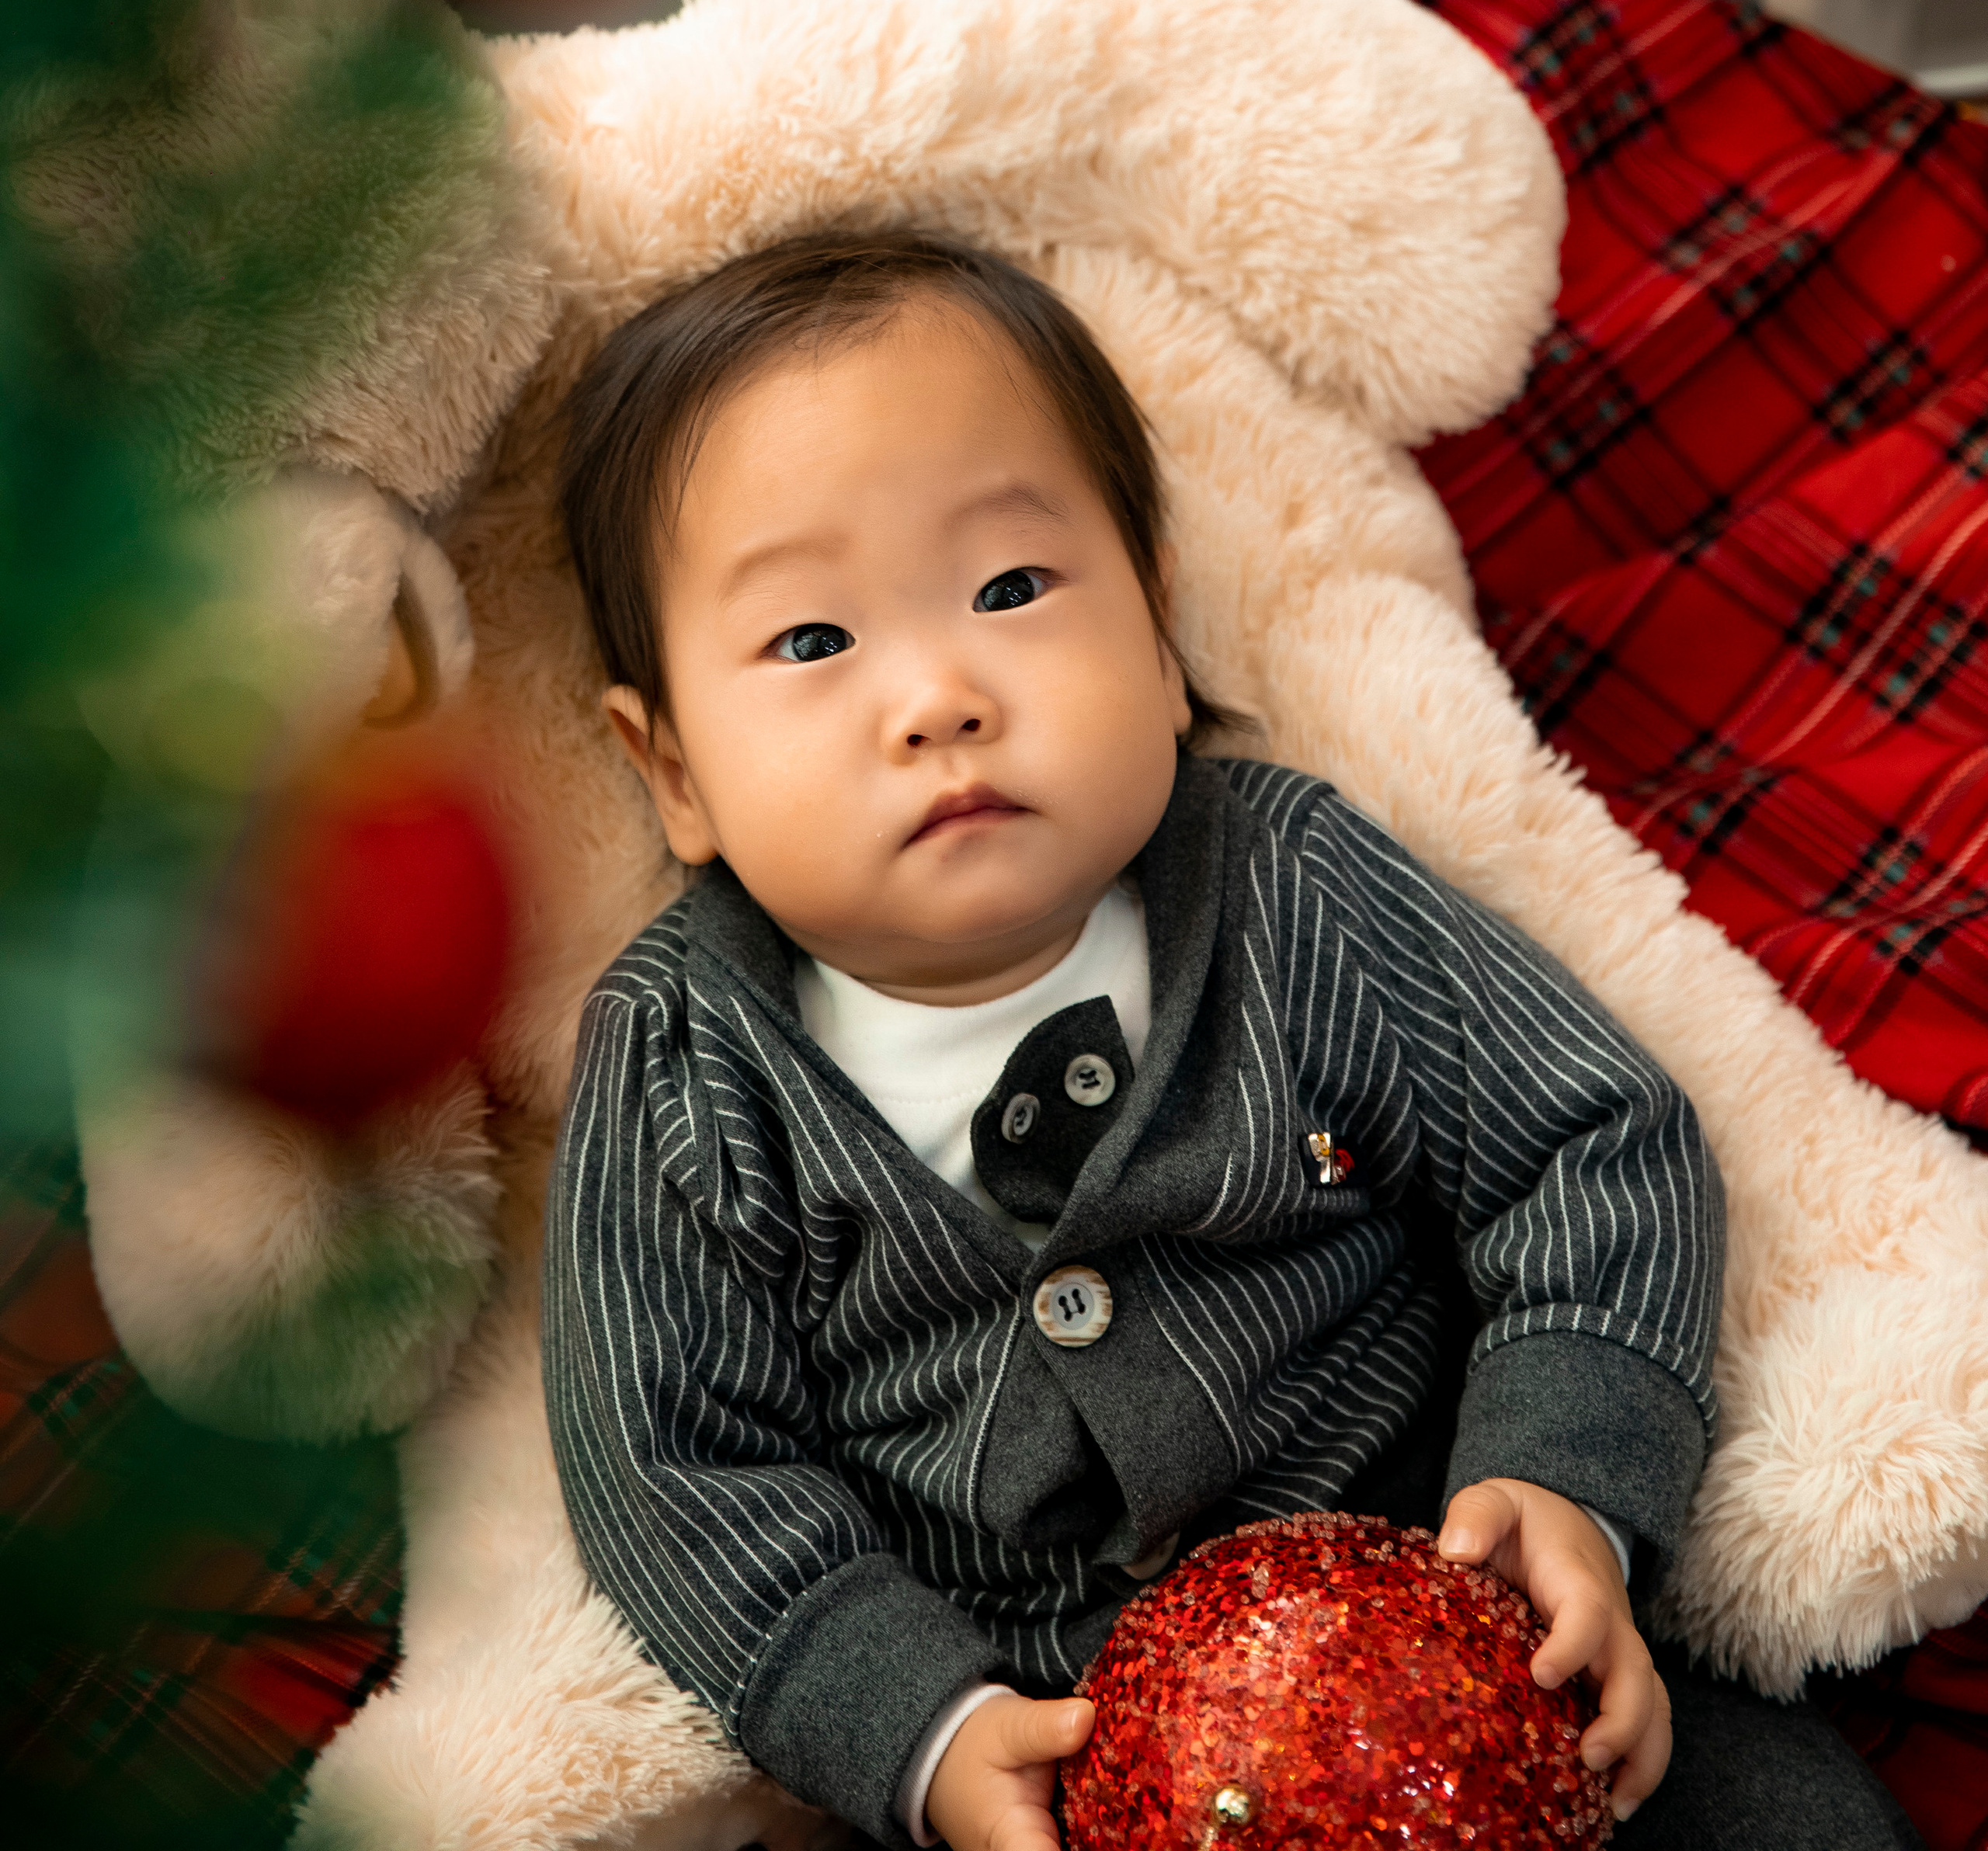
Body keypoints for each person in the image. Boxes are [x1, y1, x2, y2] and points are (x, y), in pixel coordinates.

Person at [544, 227, 1917, 1851]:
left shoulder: (1288, 887)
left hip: (1456, 1650)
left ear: (1155, 621)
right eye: (811, 642)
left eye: (1009, 589)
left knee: (1779, 1819)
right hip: (1049, 1750)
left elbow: (1588, 1147)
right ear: (672, 773)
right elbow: (675, 1469)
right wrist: (917, 1733)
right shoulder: (682, 1062)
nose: (935, 694)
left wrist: (1565, 1492)